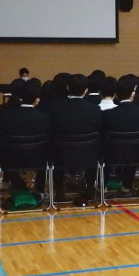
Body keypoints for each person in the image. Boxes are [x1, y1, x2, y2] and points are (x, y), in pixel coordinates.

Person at [51, 74, 103, 206]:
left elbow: (51, 132)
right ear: (86, 90)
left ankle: (59, 191)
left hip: (61, 156)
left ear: (68, 88)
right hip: (89, 156)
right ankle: (90, 188)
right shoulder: (95, 109)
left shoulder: (56, 108)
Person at [102, 76, 139, 192]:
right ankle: (127, 185)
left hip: (112, 155)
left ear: (116, 95)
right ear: (133, 94)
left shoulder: (109, 114)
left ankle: (103, 185)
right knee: (133, 147)